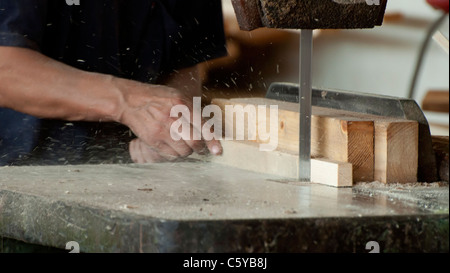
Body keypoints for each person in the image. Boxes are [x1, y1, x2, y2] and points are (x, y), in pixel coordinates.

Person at [0, 0, 227, 166]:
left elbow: (183, 62)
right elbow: (7, 71)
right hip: (18, 174)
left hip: (128, 174)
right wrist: (129, 102)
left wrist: (169, 129)